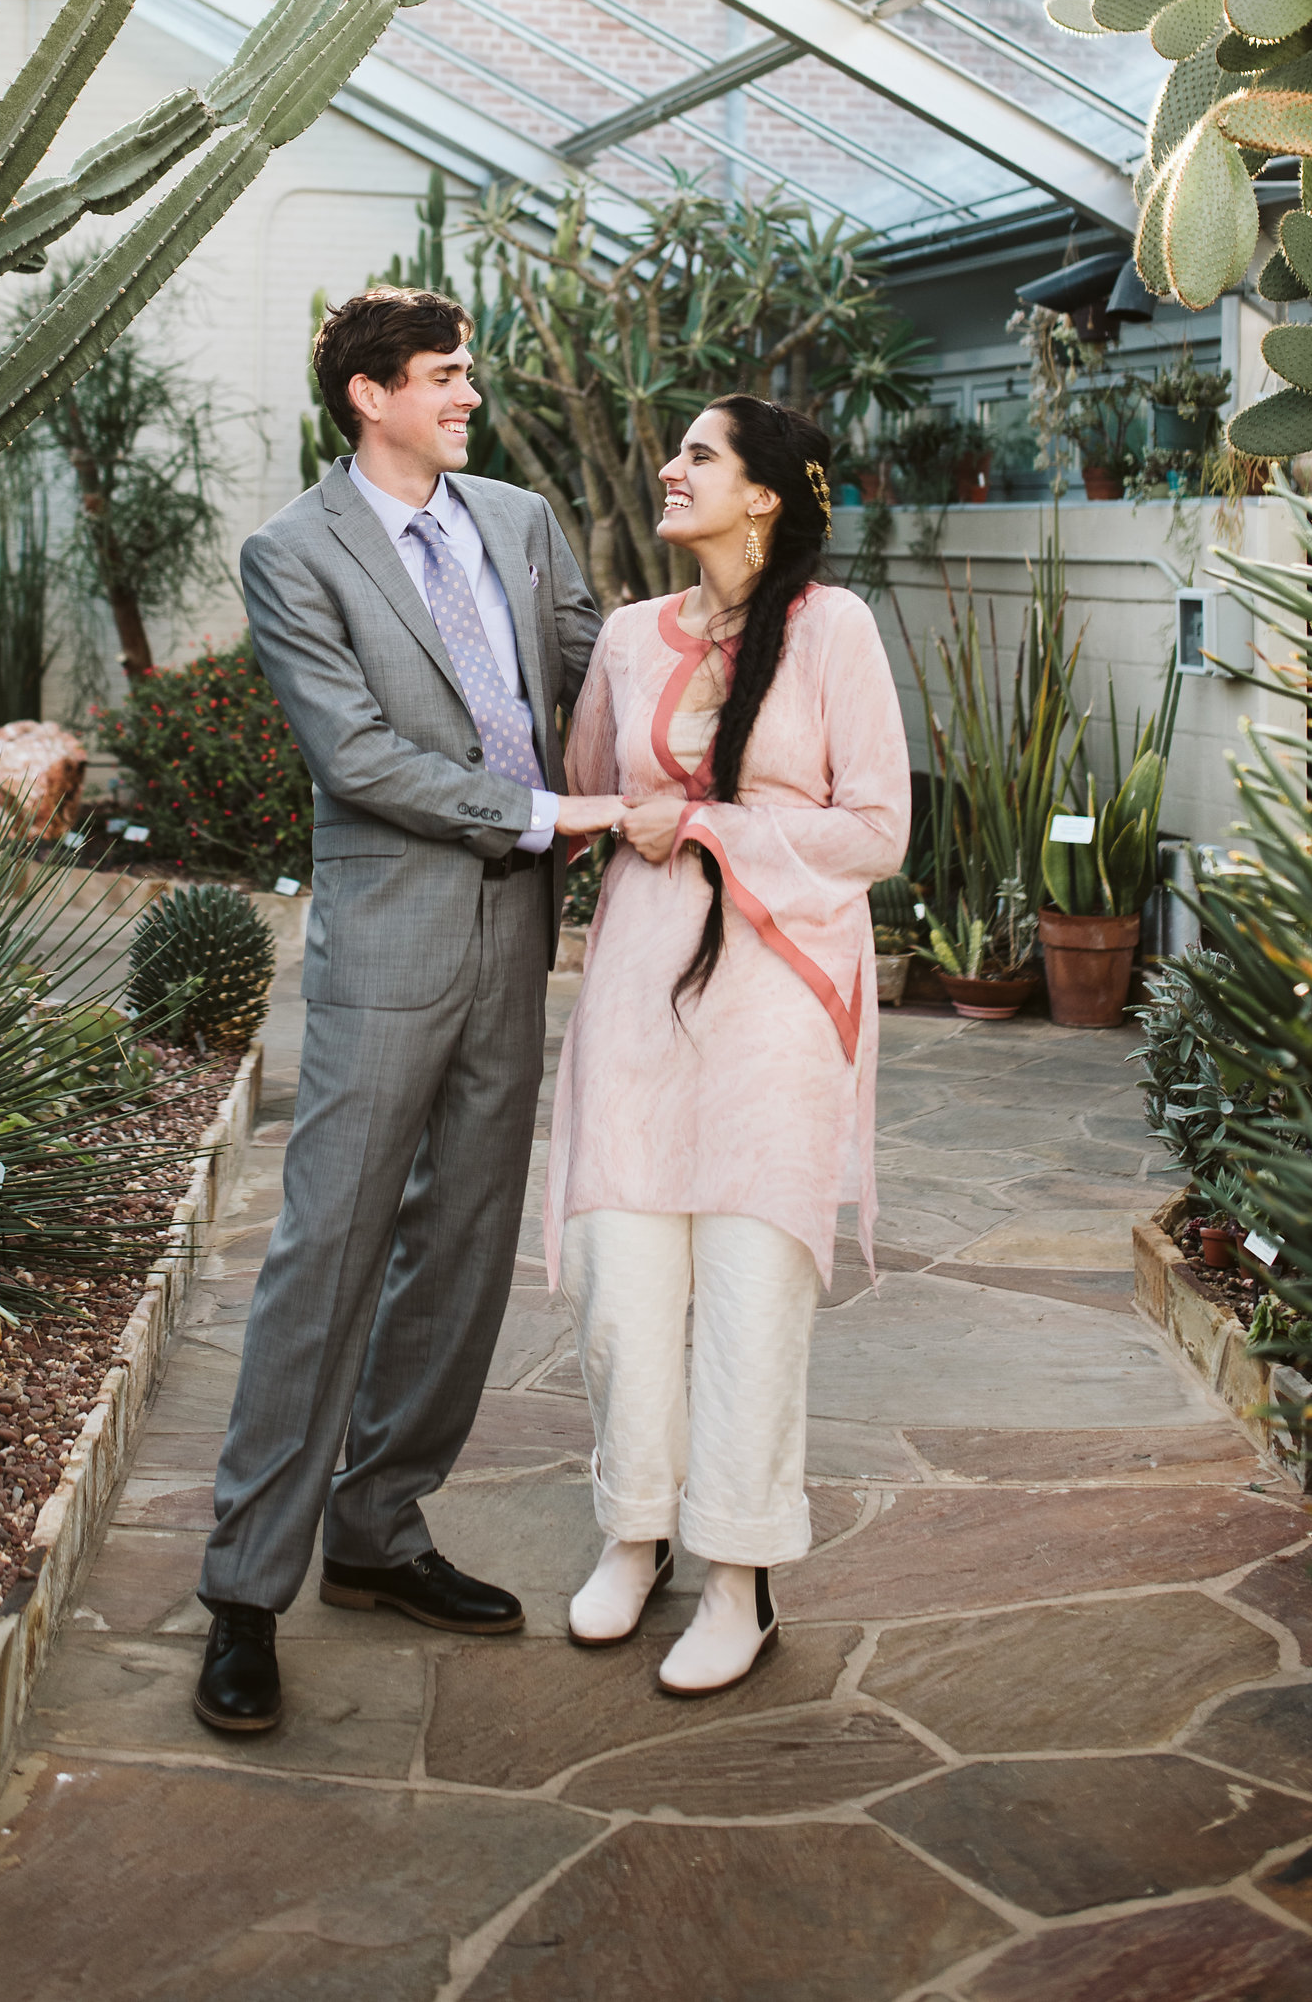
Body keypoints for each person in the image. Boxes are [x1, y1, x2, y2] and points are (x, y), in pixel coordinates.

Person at [193, 285, 617, 1734]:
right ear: (369, 395)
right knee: (328, 1252)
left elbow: (600, 663)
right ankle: (245, 1591)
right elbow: (357, 754)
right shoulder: (291, 555)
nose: (469, 396)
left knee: (465, 1248)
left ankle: (379, 1533)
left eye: (469, 372)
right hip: (388, 935)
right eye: (445, 375)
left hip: (513, 939)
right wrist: (545, 810)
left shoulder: (519, 521)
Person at [545, 396, 909, 1694]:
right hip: (641, 995)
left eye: (699, 453)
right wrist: (632, 816)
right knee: (620, 1280)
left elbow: (878, 831)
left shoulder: (833, 631)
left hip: (776, 1005)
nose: (670, 466)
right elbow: (593, 797)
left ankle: (741, 1579)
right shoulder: (636, 639)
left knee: (753, 1289)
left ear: (766, 494)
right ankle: (634, 1534)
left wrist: (711, 831)